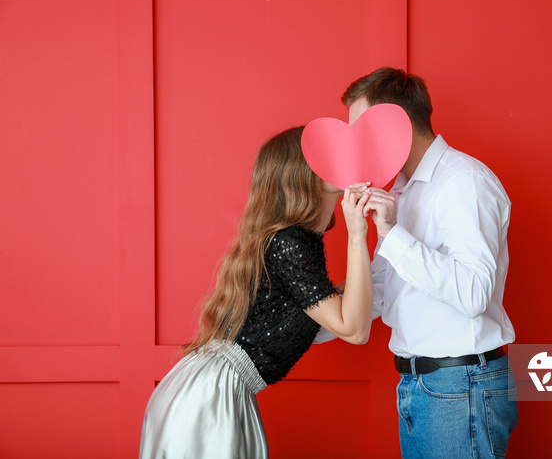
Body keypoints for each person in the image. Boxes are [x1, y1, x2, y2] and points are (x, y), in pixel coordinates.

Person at [139, 126, 374, 459]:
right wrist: (357, 232)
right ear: (301, 172)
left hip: (207, 390)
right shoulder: (289, 244)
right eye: (323, 155)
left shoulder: (295, 240)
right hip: (208, 398)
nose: (339, 160)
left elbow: (344, 313)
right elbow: (353, 328)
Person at [343, 67, 517, 458]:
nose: (355, 147)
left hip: (461, 386)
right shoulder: (400, 193)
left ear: (397, 124)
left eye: (362, 132)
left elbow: (474, 294)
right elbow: (383, 292)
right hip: (420, 387)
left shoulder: (464, 182)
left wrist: (392, 234)